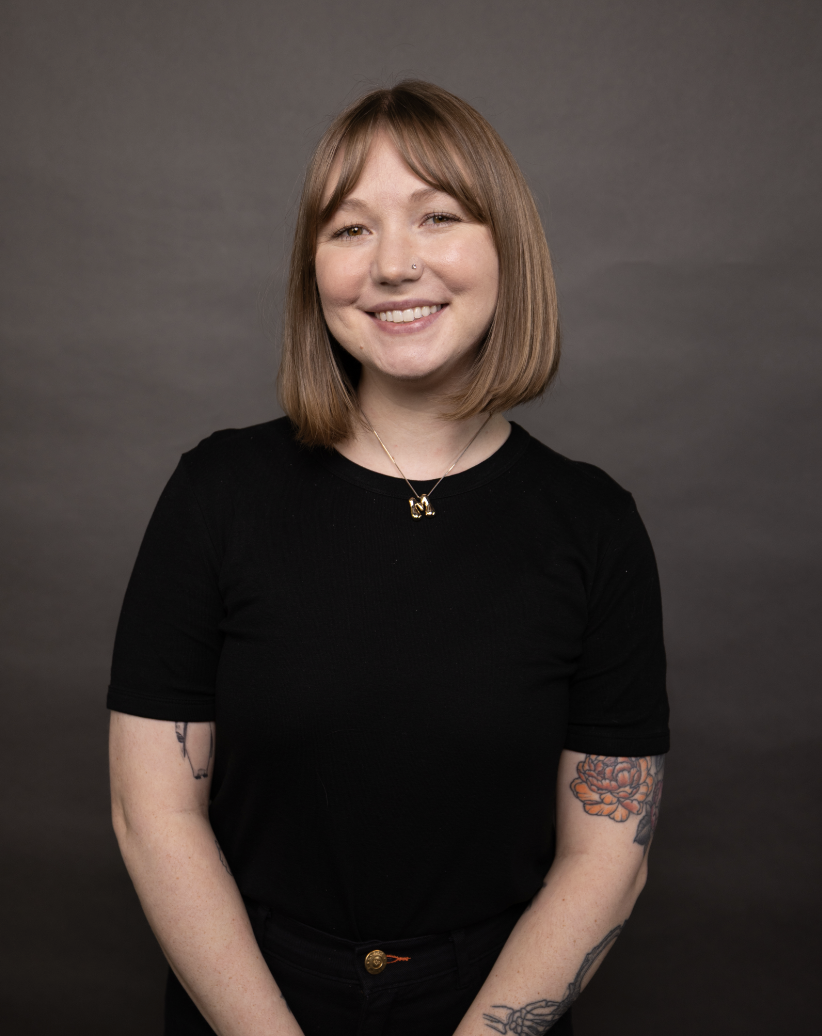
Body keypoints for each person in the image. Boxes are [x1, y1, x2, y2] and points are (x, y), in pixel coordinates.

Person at [108, 80, 669, 1036]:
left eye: (438, 216)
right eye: (350, 229)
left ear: (507, 249)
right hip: (250, 1002)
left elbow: (607, 856)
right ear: (312, 270)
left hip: (495, 1008)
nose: (395, 265)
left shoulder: (594, 522)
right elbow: (152, 815)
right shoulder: (217, 492)